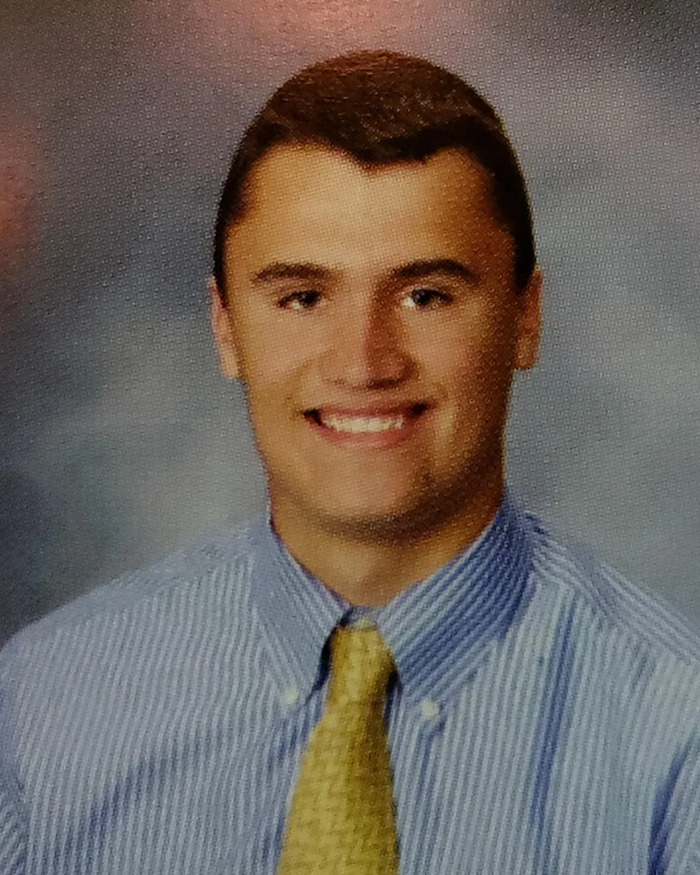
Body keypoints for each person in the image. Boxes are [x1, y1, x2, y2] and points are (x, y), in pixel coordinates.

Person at [1, 50, 699, 875]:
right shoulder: (42, 709)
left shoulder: (677, 733)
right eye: (303, 296)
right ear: (225, 327)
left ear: (524, 317)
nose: (364, 362)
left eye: (425, 295)